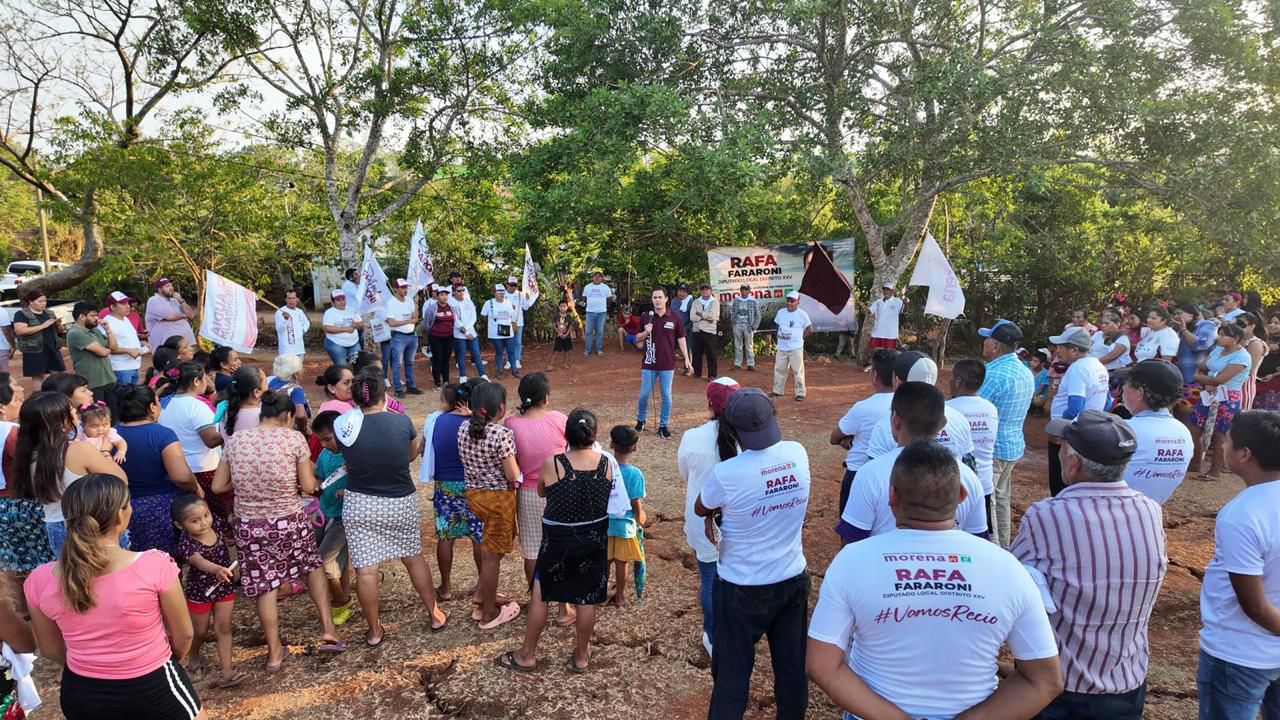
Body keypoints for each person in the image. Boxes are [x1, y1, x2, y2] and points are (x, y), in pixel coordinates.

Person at [808, 442, 1063, 720]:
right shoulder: (1007, 567)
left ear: (891, 496)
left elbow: (822, 665)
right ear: (962, 495)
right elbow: (1045, 680)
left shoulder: (852, 561)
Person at [1010, 410, 1163, 719]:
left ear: (1074, 464)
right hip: (1127, 678)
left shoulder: (1048, 515)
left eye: (1063, 449)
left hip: (1064, 684)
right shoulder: (1150, 510)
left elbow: (1011, 578)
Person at [23, 474, 207, 720]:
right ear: (121, 515)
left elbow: (50, 648)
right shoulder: (155, 565)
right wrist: (161, 660)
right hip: (152, 686)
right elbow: (184, 634)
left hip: (82, 693)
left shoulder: (38, 579)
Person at [695, 388, 811, 720]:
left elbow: (702, 505)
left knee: (732, 676)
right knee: (791, 670)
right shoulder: (797, 453)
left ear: (731, 429)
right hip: (791, 579)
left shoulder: (728, 473)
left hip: (742, 587)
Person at [210, 390, 345, 669]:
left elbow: (218, 486)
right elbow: (309, 487)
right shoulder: (293, 438)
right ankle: (329, 631)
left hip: (250, 524)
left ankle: (274, 652)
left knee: (265, 584)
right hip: (289, 518)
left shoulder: (236, 441)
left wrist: (248, 486)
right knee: (312, 567)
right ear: (286, 416)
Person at [496, 408, 614, 674]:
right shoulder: (606, 463)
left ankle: (527, 655)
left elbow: (541, 491)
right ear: (594, 434)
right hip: (593, 540)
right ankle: (582, 656)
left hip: (557, 541)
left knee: (541, 595)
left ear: (566, 435)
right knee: (586, 599)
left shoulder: (555, 463)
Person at [336, 368, 448, 646]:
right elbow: (411, 455)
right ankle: (434, 613)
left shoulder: (344, 426)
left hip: (360, 503)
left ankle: (374, 630)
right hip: (400, 501)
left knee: (366, 571)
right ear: (383, 395)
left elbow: (342, 453)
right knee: (413, 558)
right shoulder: (402, 422)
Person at [1196, 411, 1280, 719]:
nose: (1222, 446)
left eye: (1228, 441)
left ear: (1245, 454)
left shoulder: (1242, 514)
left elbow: (1254, 606)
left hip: (1239, 653)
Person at [838, 381, 988, 542]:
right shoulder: (969, 478)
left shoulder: (870, 473)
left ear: (895, 421)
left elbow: (851, 541)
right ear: (943, 423)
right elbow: (979, 541)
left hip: (880, 565)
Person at [12, 392, 126, 557]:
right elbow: (120, 480)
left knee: (73, 580)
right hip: (91, 526)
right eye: (71, 410)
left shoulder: (27, 455)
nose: (75, 413)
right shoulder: (78, 450)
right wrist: (106, 452)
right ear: (62, 422)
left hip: (55, 527)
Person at [677, 377, 740, 655]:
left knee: (710, 579)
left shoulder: (692, 437)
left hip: (704, 526)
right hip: (739, 523)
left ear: (709, 405)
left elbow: (685, 475)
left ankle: (713, 637)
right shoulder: (750, 438)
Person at [458, 381, 522, 629]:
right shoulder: (502, 435)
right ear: (502, 408)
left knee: (494, 548)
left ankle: (484, 595)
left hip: (475, 496)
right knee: (492, 555)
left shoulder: (463, 428)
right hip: (498, 500)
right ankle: (488, 612)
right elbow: (511, 473)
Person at [502, 374, 570, 601]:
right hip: (559, 491)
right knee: (561, 545)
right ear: (546, 398)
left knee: (532, 550)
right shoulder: (560, 420)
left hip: (527, 493)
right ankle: (564, 604)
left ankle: (537, 599)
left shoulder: (510, 423)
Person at [112, 385, 201, 558]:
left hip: (122, 509)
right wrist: (195, 488)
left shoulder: (110, 436)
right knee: (164, 564)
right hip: (160, 509)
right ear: (152, 407)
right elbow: (181, 476)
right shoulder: (162, 434)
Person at [171, 494, 243, 689]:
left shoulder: (217, 525)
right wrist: (217, 569)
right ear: (180, 525)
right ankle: (193, 659)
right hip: (200, 591)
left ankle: (227, 671)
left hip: (224, 587)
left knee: (224, 627)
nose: (204, 523)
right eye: (195, 521)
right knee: (199, 631)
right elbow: (198, 561)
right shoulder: (186, 544)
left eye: (206, 515)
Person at [421, 382, 483, 604]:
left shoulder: (436, 421)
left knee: (446, 536)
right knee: (478, 535)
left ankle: (446, 587)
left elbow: (424, 449)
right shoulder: (476, 423)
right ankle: (482, 585)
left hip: (445, 484)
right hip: (474, 484)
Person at [862, 352, 976, 467]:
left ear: (897, 382)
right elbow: (969, 464)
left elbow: (872, 471)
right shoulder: (960, 419)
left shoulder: (887, 424)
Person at [156, 362, 227, 522]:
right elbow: (210, 440)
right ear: (196, 381)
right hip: (204, 468)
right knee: (213, 514)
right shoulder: (196, 406)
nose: (208, 382)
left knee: (188, 515)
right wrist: (230, 430)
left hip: (175, 468)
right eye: (205, 379)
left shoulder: (165, 403)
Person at [830, 348, 898, 515]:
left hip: (858, 473)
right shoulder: (910, 405)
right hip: (896, 474)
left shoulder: (863, 408)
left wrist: (847, 439)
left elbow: (834, 437)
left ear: (874, 376)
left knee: (852, 527)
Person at [1046, 326, 1111, 496]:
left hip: (1071, 434)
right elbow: (1107, 401)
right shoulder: (1098, 365)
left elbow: (1075, 407)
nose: (1057, 350)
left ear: (1074, 350)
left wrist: (1060, 431)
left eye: (1061, 346)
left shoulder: (1078, 368)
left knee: (1061, 483)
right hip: (1090, 430)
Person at [1119, 360, 1194, 504]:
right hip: (1152, 513)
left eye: (1126, 383)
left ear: (1140, 393)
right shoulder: (1183, 432)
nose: (1122, 388)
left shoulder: (1124, 430)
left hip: (1114, 513)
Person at [1190, 322, 1252, 481]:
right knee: (1195, 428)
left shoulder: (1242, 356)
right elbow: (1202, 366)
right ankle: (1195, 463)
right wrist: (1208, 380)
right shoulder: (1218, 349)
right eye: (1220, 333)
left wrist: (1200, 378)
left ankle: (1214, 470)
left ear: (1235, 339)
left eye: (1224, 335)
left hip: (1227, 397)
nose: (1219, 337)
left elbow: (1221, 379)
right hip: (1208, 392)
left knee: (1219, 434)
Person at [309, 411, 354, 625]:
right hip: (325, 511)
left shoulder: (351, 454)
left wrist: (348, 491)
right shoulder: (325, 455)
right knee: (337, 559)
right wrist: (317, 483)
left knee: (324, 558)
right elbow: (319, 475)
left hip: (345, 516)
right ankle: (344, 594)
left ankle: (341, 600)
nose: (324, 444)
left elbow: (362, 479)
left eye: (327, 438)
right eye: (321, 440)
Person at [633, 286, 693, 439]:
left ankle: (663, 426)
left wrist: (687, 358)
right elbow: (637, 339)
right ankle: (641, 420)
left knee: (666, 395)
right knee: (643, 395)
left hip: (667, 363)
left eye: (660, 297)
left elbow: (681, 338)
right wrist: (646, 332)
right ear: (652, 300)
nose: (657, 300)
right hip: (649, 362)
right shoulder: (646, 316)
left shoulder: (674, 317)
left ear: (666, 299)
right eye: (655, 297)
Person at [948, 358, 1000, 531]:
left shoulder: (947, 409)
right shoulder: (990, 409)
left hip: (956, 484)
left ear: (958, 381)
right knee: (981, 533)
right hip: (984, 482)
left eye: (951, 377)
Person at [606, 425, 645, 607]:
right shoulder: (635, 474)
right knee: (622, 562)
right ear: (635, 447)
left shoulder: (604, 467)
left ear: (612, 444)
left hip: (605, 523)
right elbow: (635, 501)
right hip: (625, 524)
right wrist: (640, 517)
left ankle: (601, 592)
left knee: (604, 561)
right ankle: (620, 595)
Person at [66, 302, 119, 421]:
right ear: (82, 317)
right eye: (93, 315)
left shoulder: (95, 331)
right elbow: (102, 352)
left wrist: (108, 330)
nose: (97, 319)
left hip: (108, 379)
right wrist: (107, 349)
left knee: (113, 416)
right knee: (96, 418)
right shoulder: (76, 333)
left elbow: (114, 347)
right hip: (92, 383)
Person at [12, 290, 65, 382]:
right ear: (31, 301)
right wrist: (42, 326)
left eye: (44, 301)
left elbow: (57, 331)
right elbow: (20, 331)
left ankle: (59, 395)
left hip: (52, 348)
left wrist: (59, 326)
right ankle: (39, 395)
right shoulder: (21, 314)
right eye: (40, 301)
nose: (43, 304)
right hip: (34, 350)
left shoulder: (49, 313)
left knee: (58, 375)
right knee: (38, 377)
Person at [771, 290, 813, 402]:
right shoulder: (781, 312)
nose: (789, 303)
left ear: (798, 302)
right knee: (779, 369)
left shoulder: (802, 314)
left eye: (792, 301)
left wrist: (800, 338)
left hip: (796, 347)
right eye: (788, 300)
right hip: (782, 347)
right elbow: (777, 325)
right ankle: (777, 390)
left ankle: (800, 393)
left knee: (798, 370)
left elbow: (810, 330)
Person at [383, 278, 421, 396]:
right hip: (398, 336)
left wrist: (416, 304)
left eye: (406, 287)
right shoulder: (391, 303)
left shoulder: (409, 300)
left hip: (411, 335)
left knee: (409, 362)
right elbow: (392, 322)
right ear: (396, 289)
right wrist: (409, 320)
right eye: (403, 287)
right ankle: (398, 389)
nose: (405, 290)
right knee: (397, 363)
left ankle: (411, 386)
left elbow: (416, 317)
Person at [102, 291, 146, 385]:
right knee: (124, 397)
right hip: (120, 368)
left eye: (127, 303)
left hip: (134, 365)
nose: (128, 306)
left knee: (133, 397)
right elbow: (107, 348)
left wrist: (141, 344)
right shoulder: (107, 323)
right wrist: (129, 351)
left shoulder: (125, 319)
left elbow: (127, 339)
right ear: (113, 307)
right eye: (123, 304)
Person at [1171, 302, 1219, 386]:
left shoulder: (1207, 325)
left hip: (1197, 378)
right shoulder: (1182, 327)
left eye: (1179, 313)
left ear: (1192, 314)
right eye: (1174, 314)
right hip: (1179, 377)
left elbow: (1199, 345)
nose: (1176, 317)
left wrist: (1183, 330)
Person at [481, 284, 520, 379]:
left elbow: (511, 316)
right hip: (495, 332)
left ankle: (514, 370)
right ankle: (500, 371)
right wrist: (492, 324)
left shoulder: (508, 302)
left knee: (511, 351)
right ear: (494, 293)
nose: (501, 294)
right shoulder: (488, 303)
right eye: (498, 292)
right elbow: (483, 316)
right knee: (499, 351)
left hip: (507, 330)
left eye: (503, 291)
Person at [144, 278, 196, 347]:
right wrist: (184, 315)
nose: (171, 288)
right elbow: (170, 316)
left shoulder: (175, 301)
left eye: (171, 286)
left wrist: (181, 300)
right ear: (159, 289)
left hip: (186, 345)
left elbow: (191, 315)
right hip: (166, 348)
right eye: (167, 286)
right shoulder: (153, 300)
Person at [450, 285, 487, 381]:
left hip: (471, 333)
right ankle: (462, 376)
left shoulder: (469, 302)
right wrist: (466, 333)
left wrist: (468, 330)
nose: (461, 292)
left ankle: (482, 375)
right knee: (461, 355)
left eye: (463, 290)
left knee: (476, 354)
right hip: (459, 334)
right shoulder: (451, 303)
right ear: (453, 292)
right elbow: (455, 320)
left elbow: (473, 317)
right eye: (459, 291)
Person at [422, 285, 456, 390]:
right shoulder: (432, 308)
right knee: (437, 360)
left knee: (446, 360)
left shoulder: (451, 308)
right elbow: (427, 323)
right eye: (441, 295)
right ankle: (437, 383)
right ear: (437, 296)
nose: (444, 297)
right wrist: (432, 333)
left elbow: (453, 321)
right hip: (436, 337)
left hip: (449, 337)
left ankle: (446, 381)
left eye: (446, 295)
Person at [219, 366, 266, 441]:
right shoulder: (263, 416)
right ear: (256, 392)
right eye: (266, 383)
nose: (267, 387)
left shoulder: (226, 412)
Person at [266, 354, 311, 433]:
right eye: (301, 368)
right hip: (288, 430)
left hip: (269, 424)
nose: (303, 370)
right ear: (295, 373)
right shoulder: (295, 389)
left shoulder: (269, 380)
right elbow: (300, 415)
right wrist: (304, 429)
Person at [321, 289, 362, 367]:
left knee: (357, 365)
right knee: (343, 367)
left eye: (343, 299)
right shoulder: (329, 312)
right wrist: (346, 329)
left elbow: (361, 324)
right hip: (336, 344)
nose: (341, 302)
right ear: (333, 302)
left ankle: (353, 379)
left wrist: (356, 325)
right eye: (338, 300)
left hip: (354, 343)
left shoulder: (352, 310)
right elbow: (327, 328)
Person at [689, 283, 720, 380]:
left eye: (707, 289)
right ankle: (697, 373)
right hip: (697, 330)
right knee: (696, 353)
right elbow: (692, 317)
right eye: (702, 289)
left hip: (710, 331)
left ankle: (712, 375)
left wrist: (700, 314)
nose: (704, 291)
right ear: (700, 291)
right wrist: (706, 317)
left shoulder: (714, 302)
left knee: (711, 354)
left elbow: (712, 316)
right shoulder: (696, 302)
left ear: (710, 291)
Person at [505, 276, 536, 373]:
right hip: (505, 322)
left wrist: (528, 299)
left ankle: (517, 359)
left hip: (518, 322)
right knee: (507, 342)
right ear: (507, 285)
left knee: (518, 342)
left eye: (515, 285)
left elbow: (525, 307)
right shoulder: (502, 294)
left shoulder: (520, 294)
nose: (513, 287)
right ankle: (508, 360)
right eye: (511, 285)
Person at [1237, 312, 1267, 411]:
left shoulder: (1255, 343)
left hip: (1243, 386)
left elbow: (1249, 370)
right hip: (1228, 384)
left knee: (1239, 419)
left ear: (1252, 326)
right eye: (1237, 323)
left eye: (1242, 324)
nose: (1239, 327)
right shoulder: (1236, 340)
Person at [581, 271, 613, 356]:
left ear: (602, 278)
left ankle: (599, 349)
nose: (597, 278)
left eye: (599, 276)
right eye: (595, 276)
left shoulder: (605, 287)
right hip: (590, 312)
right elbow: (584, 297)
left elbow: (609, 299)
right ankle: (587, 350)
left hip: (601, 312)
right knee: (588, 331)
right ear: (592, 278)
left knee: (600, 331)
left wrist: (602, 305)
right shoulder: (587, 287)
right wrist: (591, 304)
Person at [730, 284, 761, 372]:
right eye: (742, 290)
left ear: (749, 291)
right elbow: (733, 312)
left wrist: (754, 326)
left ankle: (750, 364)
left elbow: (758, 315)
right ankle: (737, 363)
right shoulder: (736, 300)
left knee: (749, 346)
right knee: (737, 345)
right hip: (737, 325)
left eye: (746, 290)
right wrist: (733, 324)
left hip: (748, 326)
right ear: (740, 290)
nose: (744, 291)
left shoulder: (753, 301)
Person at [274, 288, 310, 359]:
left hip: (299, 349)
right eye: (289, 298)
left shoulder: (299, 312)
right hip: (286, 350)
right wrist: (285, 320)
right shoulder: (280, 312)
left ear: (297, 299)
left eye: (293, 298)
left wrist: (302, 331)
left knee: (298, 369)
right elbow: (279, 330)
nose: (291, 300)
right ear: (285, 299)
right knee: (287, 370)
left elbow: (307, 323)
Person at [868, 283, 906, 350]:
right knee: (875, 353)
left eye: (888, 290)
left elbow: (904, 311)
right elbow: (869, 311)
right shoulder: (878, 302)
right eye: (884, 289)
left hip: (890, 334)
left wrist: (905, 304)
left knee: (889, 354)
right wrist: (862, 306)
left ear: (892, 291)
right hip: (877, 332)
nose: (886, 291)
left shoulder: (898, 302)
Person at [1255, 313, 1280, 411]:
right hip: (1258, 379)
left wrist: (1273, 375)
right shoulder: (1262, 338)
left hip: (1275, 382)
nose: (1272, 325)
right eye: (1270, 322)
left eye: (1276, 323)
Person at [550, 298, 580, 370]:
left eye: (564, 306)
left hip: (567, 336)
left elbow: (570, 326)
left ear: (567, 307)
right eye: (561, 306)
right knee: (556, 350)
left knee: (566, 350)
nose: (562, 308)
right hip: (558, 336)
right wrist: (559, 333)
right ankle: (551, 365)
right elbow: (554, 326)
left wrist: (566, 334)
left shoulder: (569, 316)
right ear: (558, 307)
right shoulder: (556, 316)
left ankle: (565, 363)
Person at [1030, 350, 1051, 415]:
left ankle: (1039, 408)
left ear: (1042, 364)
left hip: (1038, 395)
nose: (1032, 362)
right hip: (1029, 393)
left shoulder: (1045, 374)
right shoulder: (1027, 370)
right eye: (1032, 360)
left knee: (1038, 401)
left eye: (1035, 361)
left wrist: (1029, 396)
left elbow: (1040, 391)